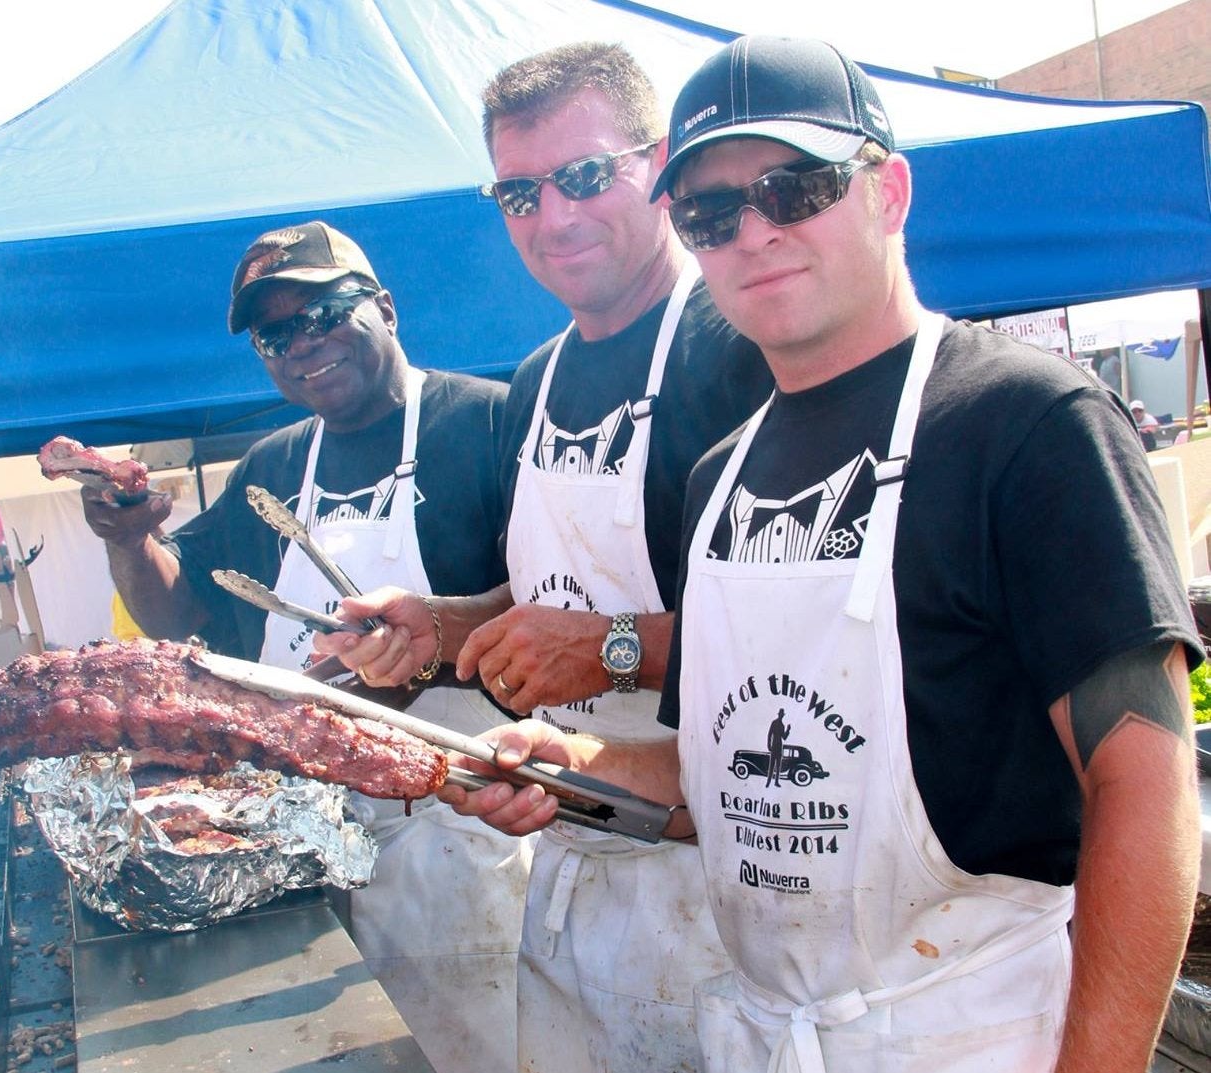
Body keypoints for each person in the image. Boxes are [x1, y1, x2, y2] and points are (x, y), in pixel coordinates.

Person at [435, 35, 1204, 1073]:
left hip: (971, 1031)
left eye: (795, 188)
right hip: (760, 1032)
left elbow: (1145, 785)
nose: (753, 231)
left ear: (888, 190)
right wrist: (580, 767)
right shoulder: (721, 477)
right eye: (711, 212)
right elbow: (730, 784)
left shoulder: (1025, 422)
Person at [314, 41, 774, 1073]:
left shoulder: (740, 348)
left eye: (583, 176)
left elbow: (814, 635)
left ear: (657, 166)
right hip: (569, 851)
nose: (553, 217)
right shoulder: (534, 382)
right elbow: (546, 590)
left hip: (727, 878)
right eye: (519, 191)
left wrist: (611, 651)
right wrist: (441, 625)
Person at [78, 220, 530, 1073]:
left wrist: (433, 632)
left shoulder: (487, 421)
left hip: (461, 838)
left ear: (384, 307)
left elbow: (558, 598)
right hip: (300, 839)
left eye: (323, 312)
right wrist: (130, 541)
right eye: (274, 334)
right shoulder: (273, 465)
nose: (302, 344)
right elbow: (183, 619)